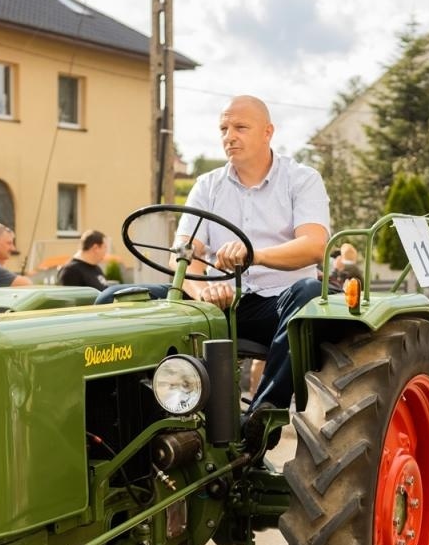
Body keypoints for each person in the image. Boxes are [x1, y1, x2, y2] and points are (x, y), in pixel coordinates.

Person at [94, 95, 329, 415]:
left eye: (240, 127)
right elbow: (182, 253)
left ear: (268, 132)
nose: (229, 136)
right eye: (223, 129)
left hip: (277, 307)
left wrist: (254, 255)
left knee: (310, 292)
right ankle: (128, 421)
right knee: (114, 300)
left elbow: (314, 245)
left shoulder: (301, 179)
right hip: (218, 306)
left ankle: (263, 416)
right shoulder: (207, 185)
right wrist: (203, 291)